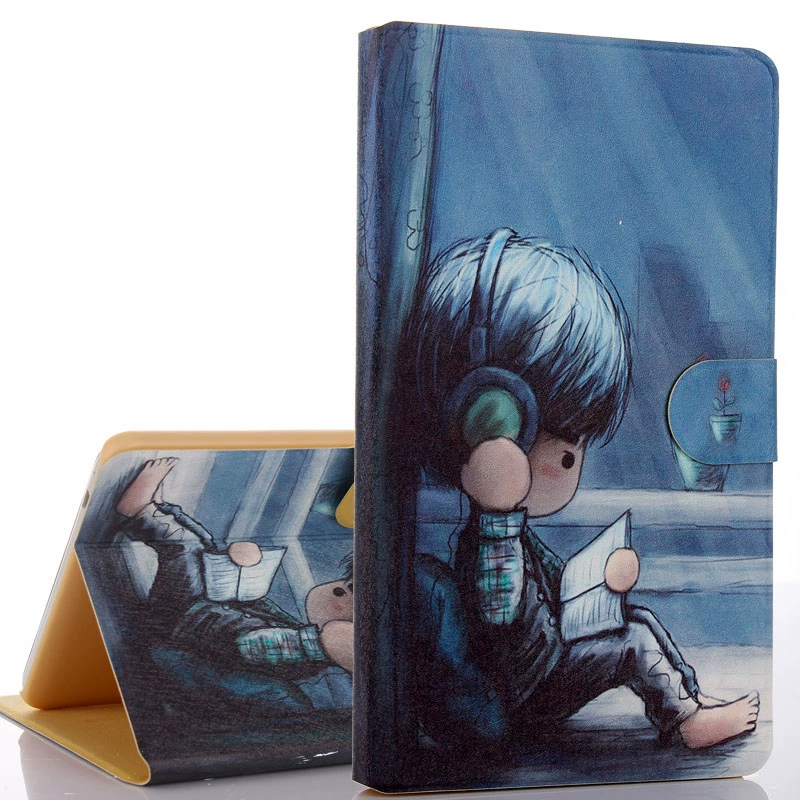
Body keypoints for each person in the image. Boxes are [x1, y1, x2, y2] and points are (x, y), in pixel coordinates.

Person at [400, 229, 759, 750]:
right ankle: (686, 720)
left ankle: (690, 703)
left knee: (636, 620)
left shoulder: (510, 537)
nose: (573, 464)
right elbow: (498, 609)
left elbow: (553, 588)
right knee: (633, 642)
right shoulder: (492, 539)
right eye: (567, 450)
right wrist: (498, 506)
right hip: (529, 689)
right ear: (490, 418)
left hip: (544, 663)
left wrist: (599, 585)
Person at [116, 457, 353, 715]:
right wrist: (245, 572)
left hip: (180, 618)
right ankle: (159, 508)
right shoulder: (296, 632)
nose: (339, 591)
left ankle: (137, 511)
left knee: (184, 548)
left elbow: (251, 645)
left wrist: (318, 644)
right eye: (348, 585)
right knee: (206, 547)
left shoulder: (300, 652)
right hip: (201, 609)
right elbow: (254, 609)